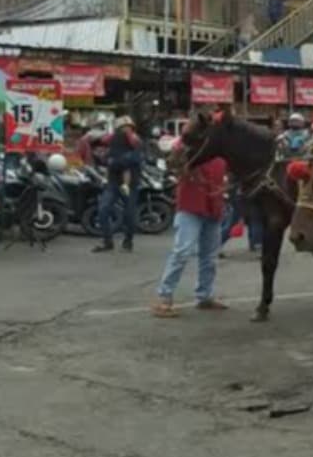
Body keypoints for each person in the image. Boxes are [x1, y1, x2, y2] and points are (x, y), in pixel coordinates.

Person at [152, 138, 229, 317]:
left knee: (209, 256)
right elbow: (174, 160)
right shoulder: (190, 148)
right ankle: (164, 296)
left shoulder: (222, 153)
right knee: (182, 252)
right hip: (191, 206)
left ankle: (204, 295)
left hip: (213, 207)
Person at [94, 116, 142, 253]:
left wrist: (115, 161)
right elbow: (103, 154)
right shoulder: (113, 142)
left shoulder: (136, 142)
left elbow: (133, 160)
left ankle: (128, 241)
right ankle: (107, 241)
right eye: (122, 128)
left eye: (128, 128)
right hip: (113, 181)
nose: (125, 130)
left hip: (130, 183)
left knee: (129, 214)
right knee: (103, 209)